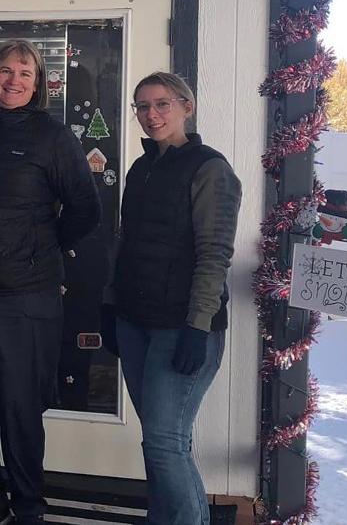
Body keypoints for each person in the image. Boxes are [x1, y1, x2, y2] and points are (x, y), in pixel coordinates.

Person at [0, 40, 101, 524]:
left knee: (21, 409)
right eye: (5, 70)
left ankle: (29, 507)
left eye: (25, 72)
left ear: (40, 83)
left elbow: (85, 209)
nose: (14, 80)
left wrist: (38, 249)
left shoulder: (54, 138)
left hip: (26, 298)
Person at [103, 72, 241, 525]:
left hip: (181, 327)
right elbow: (125, 242)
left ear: (187, 106)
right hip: (134, 320)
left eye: (161, 104)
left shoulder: (210, 169)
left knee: (165, 443)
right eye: (141, 106)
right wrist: (110, 305)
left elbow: (214, 254)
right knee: (159, 442)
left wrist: (197, 328)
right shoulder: (141, 169)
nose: (151, 115)